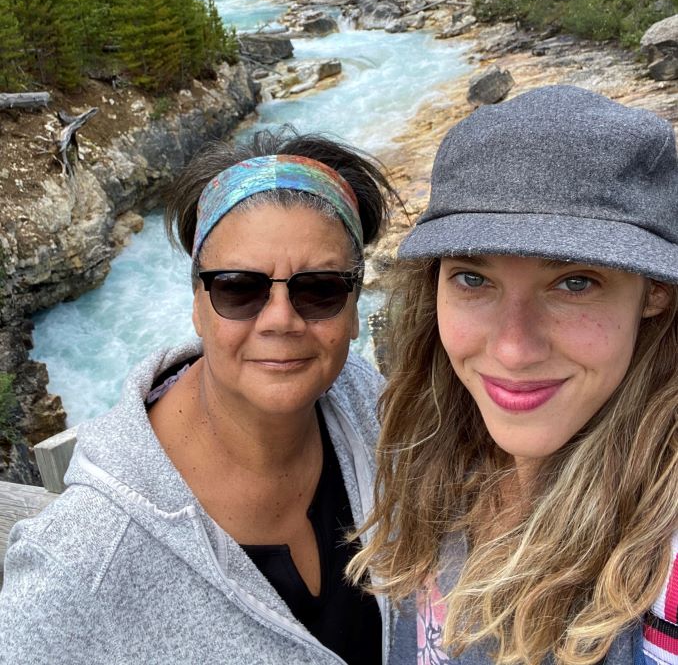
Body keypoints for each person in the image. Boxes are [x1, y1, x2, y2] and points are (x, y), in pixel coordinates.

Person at [0, 128, 396, 665]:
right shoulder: (80, 563)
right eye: (239, 287)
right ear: (197, 304)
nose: (281, 319)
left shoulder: (373, 411)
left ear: (352, 308)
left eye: (319, 289)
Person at [350, 85, 678, 665]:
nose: (513, 349)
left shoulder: (663, 574)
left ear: (654, 293)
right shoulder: (430, 449)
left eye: (575, 282)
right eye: (474, 279)